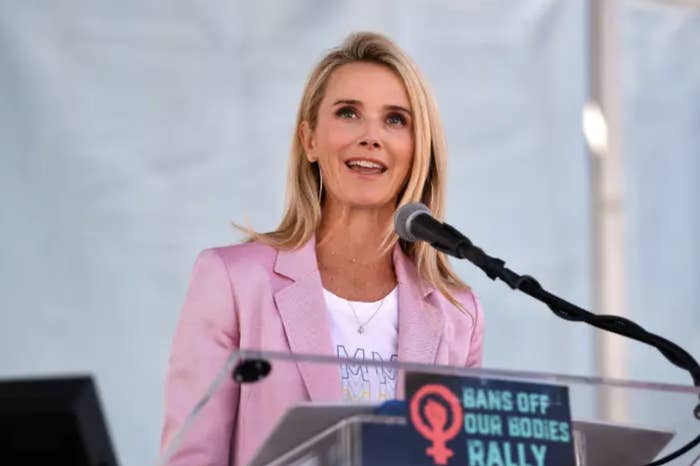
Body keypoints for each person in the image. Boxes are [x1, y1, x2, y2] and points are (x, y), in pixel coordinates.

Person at [160, 31, 484, 466]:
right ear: (310, 140)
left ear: (417, 149)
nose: (371, 136)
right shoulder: (234, 282)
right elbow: (191, 458)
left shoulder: (457, 313)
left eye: (395, 120)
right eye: (348, 113)